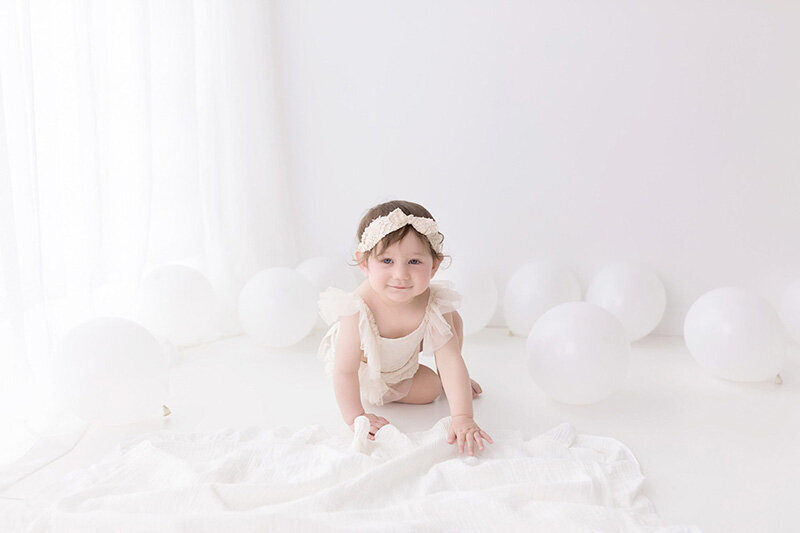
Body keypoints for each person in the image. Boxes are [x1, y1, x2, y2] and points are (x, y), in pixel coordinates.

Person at [317, 200, 493, 456]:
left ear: (434, 265)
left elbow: (450, 358)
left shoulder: (432, 301)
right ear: (364, 263)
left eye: (414, 262)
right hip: (371, 375)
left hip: (403, 362)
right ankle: (442, 385)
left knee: (450, 319)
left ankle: (454, 384)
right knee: (430, 390)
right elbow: (345, 371)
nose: (400, 274)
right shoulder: (357, 308)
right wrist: (356, 417)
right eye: (387, 260)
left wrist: (463, 416)